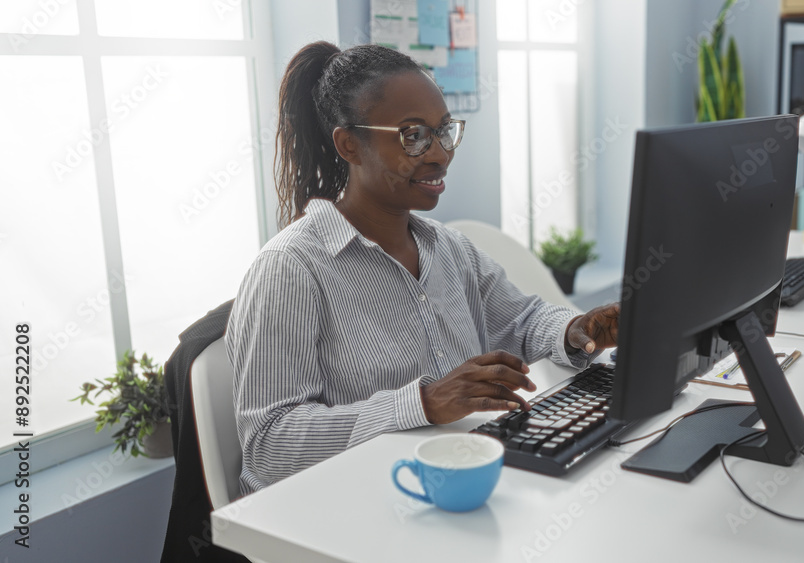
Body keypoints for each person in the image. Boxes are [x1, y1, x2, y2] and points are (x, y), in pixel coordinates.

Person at [226, 41, 619, 494]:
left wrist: (578, 328)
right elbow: (270, 445)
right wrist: (422, 403)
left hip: (449, 483)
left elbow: (524, 320)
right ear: (349, 144)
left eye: (444, 131)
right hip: (353, 503)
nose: (440, 154)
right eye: (413, 135)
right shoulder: (289, 269)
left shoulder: (448, 247)